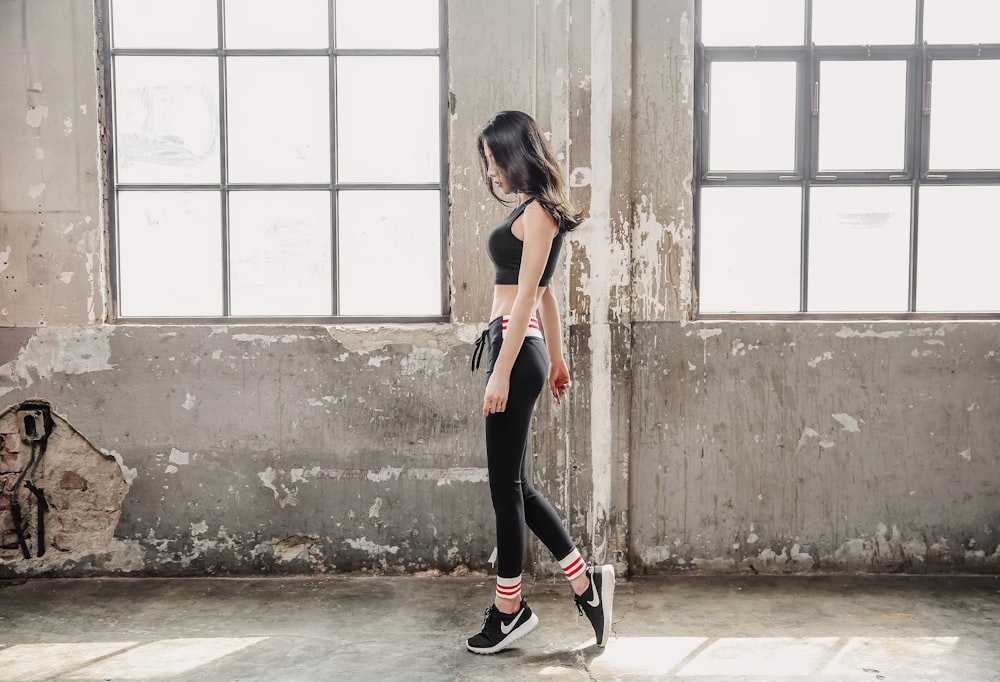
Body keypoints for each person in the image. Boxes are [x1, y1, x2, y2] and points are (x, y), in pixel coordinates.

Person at [466, 110, 615, 655]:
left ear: (516, 152)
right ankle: (585, 583)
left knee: (503, 490)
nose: (490, 170)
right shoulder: (533, 212)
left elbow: (529, 296)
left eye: (494, 158)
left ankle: (510, 611)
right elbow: (547, 293)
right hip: (521, 344)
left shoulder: (539, 215)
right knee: (519, 489)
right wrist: (556, 359)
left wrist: (502, 371)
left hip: (512, 345)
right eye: (485, 161)